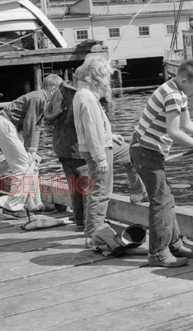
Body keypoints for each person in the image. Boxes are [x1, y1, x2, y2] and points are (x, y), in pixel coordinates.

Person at [130, 59, 193, 268]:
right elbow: (174, 132)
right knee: (160, 201)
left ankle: (174, 244)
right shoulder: (172, 95)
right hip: (145, 151)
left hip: (151, 151)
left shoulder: (179, 92)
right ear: (183, 80)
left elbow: (186, 124)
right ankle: (157, 253)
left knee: (166, 198)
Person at [44, 79, 147, 231]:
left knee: (76, 185)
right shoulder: (83, 96)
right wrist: (103, 146)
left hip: (63, 146)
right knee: (132, 153)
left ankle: (81, 221)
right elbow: (89, 126)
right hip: (82, 148)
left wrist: (109, 134)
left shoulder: (63, 92)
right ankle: (93, 226)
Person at [0, 74, 63, 217]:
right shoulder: (38, 98)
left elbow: (36, 127)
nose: (61, 97)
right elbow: (29, 124)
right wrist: (29, 148)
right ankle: (12, 206)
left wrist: (33, 150)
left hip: (11, 127)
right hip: (6, 124)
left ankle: (34, 204)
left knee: (32, 164)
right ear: (53, 90)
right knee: (22, 166)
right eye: (60, 92)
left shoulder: (43, 100)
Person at [72, 54, 118, 243]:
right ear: (94, 77)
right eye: (105, 76)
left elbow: (95, 126)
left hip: (99, 145)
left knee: (100, 190)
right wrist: (100, 158)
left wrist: (110, 136)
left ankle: (94, 231)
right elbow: (91, 131)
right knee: (101, 191)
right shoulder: (87, 98)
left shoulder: (84, 94)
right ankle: (93, 234)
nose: (107, 81)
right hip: (97, 150)